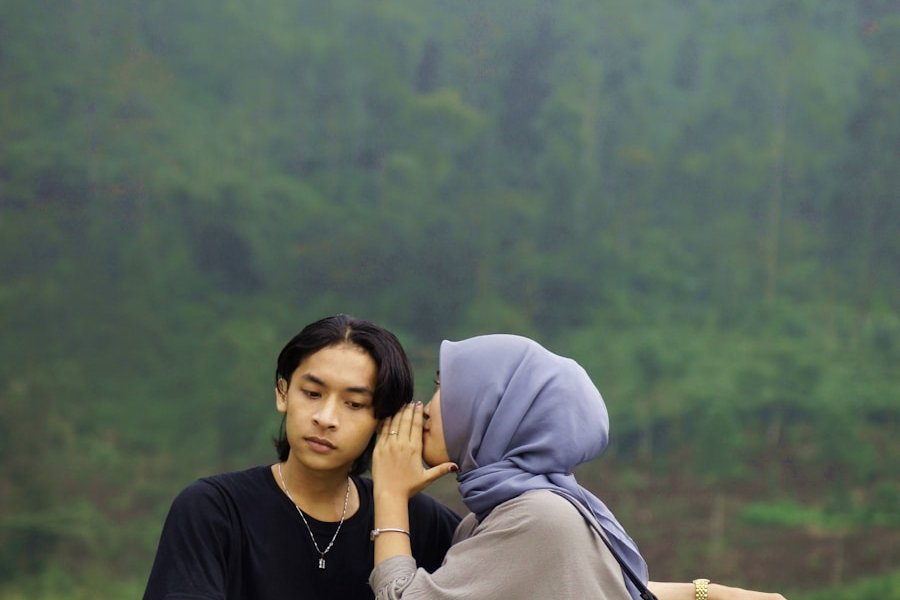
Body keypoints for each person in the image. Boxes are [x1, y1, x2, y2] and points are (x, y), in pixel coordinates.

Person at [370, 333, 788, 600]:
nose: (424, 409)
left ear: (491, 409)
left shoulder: (536, 516)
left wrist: (388, 494)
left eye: (445, 387)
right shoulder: (523, 511)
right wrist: (708, 593)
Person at [143, 315, 460, 600]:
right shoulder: (214, 509)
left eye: (353, 403)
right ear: (283, 392)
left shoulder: (420, 523)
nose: (325, 417)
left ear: (384, 420)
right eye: (312, 393)